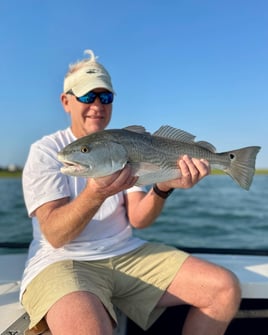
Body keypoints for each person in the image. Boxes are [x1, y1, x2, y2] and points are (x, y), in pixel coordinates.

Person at [21, 49, 241, 335]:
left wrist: (163, 187)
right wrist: (96, 192)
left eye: (106, 97)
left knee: (224, 289)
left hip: (126, 252)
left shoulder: (124, 144)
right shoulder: (48, 152)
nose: (97, 105)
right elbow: (55, 235)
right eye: (87, 96)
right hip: (63, 261)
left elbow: (138, 219)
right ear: (66, 101)